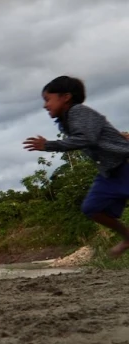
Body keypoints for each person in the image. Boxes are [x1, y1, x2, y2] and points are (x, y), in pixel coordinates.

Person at [24, 75, 129, 258]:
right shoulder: (66, 122)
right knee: (91, 208)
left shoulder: (78, 111)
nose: (45, 105)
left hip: (125, 164)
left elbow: (87, 138)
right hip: (109, 172)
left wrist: (48, 145)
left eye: (48, 99)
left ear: (66, 97)